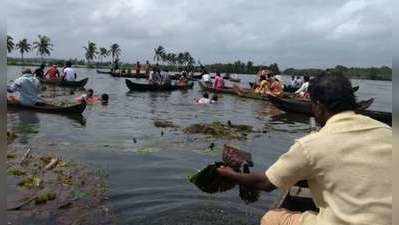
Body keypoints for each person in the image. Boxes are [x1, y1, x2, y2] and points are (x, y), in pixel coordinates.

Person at [217, 74, 391, 225]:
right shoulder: (388, 132)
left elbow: (266, 184)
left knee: (271, 218)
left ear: (318, 106)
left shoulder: (311, 144)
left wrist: (229, 174)